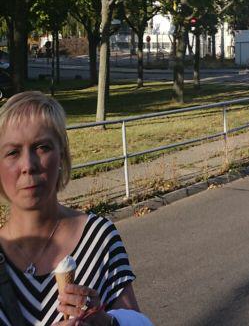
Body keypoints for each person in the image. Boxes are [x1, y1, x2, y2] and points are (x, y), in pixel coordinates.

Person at [0, 91, 151, 326]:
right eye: (12, 152)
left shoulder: (99, 239)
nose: (28, 165)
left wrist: (106, 322)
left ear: (61, 155)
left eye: (42, 147)